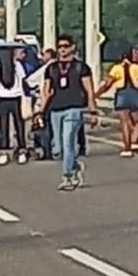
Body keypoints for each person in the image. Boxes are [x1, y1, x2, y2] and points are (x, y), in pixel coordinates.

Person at [34, 35, 97, 190]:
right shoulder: (51, 68)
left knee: (68, 142)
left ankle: (67, 177)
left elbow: (89, 90)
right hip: (55, 109)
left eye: (66, 46)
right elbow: (46, 91)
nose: (62, 49)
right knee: (59, 149)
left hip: (74, 109)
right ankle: (75, 166)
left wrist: (93, 110)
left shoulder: (81, 67)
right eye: (60, 46)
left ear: (73, 48)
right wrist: (40, 111)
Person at [94, 44, 138, 157]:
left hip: (122, 94)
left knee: (125, 122)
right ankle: (134, 142)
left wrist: (96, 94)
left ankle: (127, 148)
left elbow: (107, 84)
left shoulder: (116, 68)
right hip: (135, 94)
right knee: (137, 121)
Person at [0, 45, 30, 165]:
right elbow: (23, 79)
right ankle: (22, 150)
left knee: (4, 126)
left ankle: (4, 152)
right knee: (19, 124)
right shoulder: (17, 65)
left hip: (2, 98)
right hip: (16, 97)